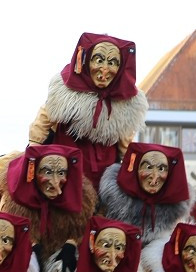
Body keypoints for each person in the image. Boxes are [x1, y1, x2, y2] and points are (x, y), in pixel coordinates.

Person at [28, 32, 148, 187]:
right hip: (64, 168)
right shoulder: (66, 92)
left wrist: (130, 173)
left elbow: (125, 146)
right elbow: (43, 121)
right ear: (85, 61)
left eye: (112, 62)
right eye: (99, 60)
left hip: (104, 173)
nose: (104, 69)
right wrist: (33, 152)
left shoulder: (127, 103)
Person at [0, 145, 97, 260]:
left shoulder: (82, 199)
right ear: (33, 173)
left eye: (61, 173)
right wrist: (31, 244)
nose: (55, 181)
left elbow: (82, 231)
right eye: (48, 172)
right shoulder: (13, 201)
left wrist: (71, 243)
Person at [98, 142, 194, 245]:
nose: (154, 176)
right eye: (148, 167)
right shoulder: (114, 200)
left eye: (161, 169)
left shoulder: (174, 209)